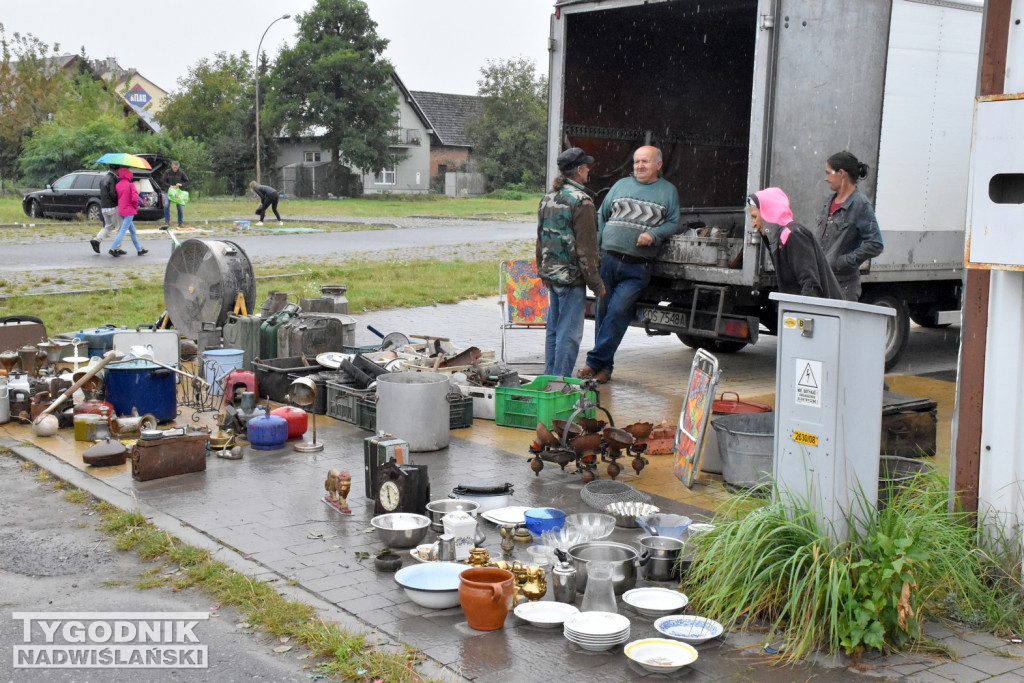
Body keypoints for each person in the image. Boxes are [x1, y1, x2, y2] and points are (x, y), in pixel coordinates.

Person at [578, 145, 681, 383]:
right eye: (636, 162)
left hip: (638, 267)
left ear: (658, 164)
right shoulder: (620, 185)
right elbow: (602, 215)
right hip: (609, 260)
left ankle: (593, 362)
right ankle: (604, 369)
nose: (639, 166)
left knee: (617, 312)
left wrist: (654, 234)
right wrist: (601, 246)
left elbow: (673, 222)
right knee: (603, 314)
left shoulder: (668, 191)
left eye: (645, 162)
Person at [536, 147, 606, 377]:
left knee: (554, 331)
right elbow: (587, 250)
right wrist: (596, 285)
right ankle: (560, 384)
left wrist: (543, 271)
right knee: (569, 334)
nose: (589, 171)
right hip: (571, 279)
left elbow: (541, 239)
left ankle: (549, 379)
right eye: (586, 167)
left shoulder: (548, 198)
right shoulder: (583, 203)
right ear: (579, 170)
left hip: (552, 276)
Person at [748, 187, 842, 299]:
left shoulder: (793, 235)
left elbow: (811, 285)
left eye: (755, 217)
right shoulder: (782, 238)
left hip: (822, 312)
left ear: (768, 213)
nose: (753, 224)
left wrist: (801, 313)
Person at [816, 151, 884, 301]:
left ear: (841, 173)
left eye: (829, 173)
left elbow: (875, 244)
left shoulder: (860, 204)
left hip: (843, 287)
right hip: (822, 282)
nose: (826, 178)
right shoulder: (829, 200)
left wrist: (843, 262)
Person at [109, 167, 147, 257]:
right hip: (129, 211)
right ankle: (112, 248)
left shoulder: (118, 185)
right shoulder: (131, 185)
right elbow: (134, 199)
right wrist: (135, 206)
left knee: (133, 231)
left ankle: (139, 249)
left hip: (121, 210)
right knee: (123, 230)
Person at [90, 165, 121, 253]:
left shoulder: (103, 178)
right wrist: (118, 201)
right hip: (112, 206)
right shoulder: (113, 179)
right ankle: (116, 248)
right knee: (118, 227)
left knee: (108, 226)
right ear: (116, 169)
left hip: (104, 206)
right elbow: (113, 193)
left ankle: (97, 240)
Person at [161, 160, 190, 228]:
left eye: (176, 168)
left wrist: (181, 184)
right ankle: (167, 222)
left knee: (179, 206)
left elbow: (187, 181)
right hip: (168, 191)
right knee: (166, 205)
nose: (175, 169)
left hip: (177, 192)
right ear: (171, 166)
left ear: (178, 167)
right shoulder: (167, 172)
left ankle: (180, 222)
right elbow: (163, 181)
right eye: (174, 167)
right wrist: (169, 186)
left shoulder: (181, 172)